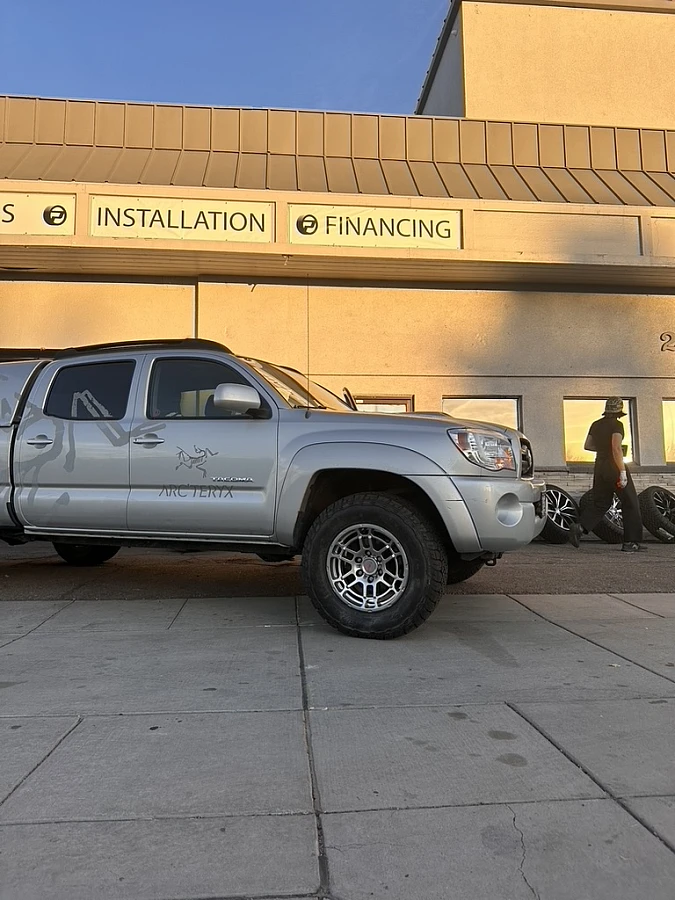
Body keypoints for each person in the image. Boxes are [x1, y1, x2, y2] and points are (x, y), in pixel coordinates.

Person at [568, 397, 646, 552]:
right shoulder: (617, 425)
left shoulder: (596, 424)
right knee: (630, 502)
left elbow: (588, 445)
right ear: (619, 410)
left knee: (601, 502)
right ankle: (631, 542)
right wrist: (622, 471)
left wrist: (603, 448)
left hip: (600, 466)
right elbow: (616, 448)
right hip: (614, 467)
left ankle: (580, 527)